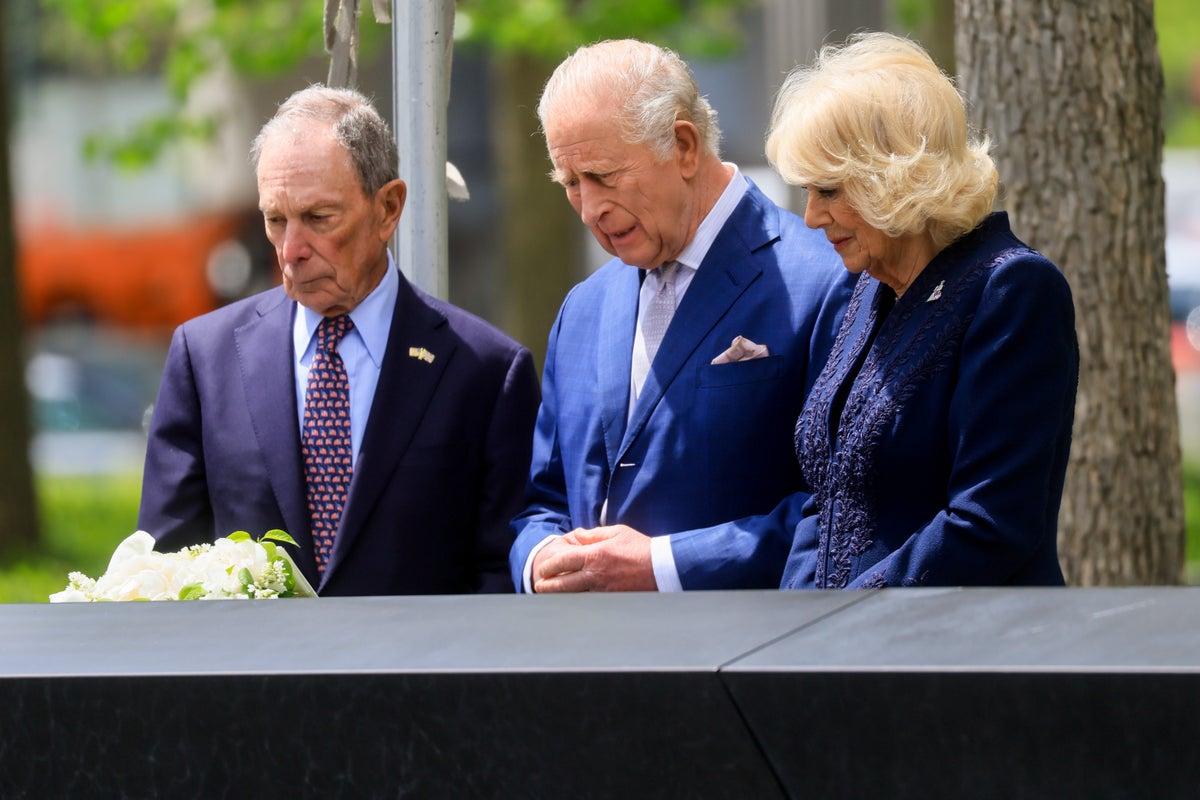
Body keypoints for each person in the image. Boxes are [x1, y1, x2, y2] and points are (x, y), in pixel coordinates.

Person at [138, 85, 540, 595]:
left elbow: (501, 578)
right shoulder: (205, 358)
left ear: (388, 208)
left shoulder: (484, 371)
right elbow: (164, 570)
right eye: (275, 220)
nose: (291, 251)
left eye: (318, 218)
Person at [510, 39, 854, 593]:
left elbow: (842, 512)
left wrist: (662, 566)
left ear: (684, 146)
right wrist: (539, 561)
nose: (590, 207)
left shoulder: (824, 279)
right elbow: (544, 500)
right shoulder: (582, 308)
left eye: (604, 175)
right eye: (571, 183)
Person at [761, 32, 1078, 587]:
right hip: (841, 655)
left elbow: (990, 524)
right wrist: (794, 636)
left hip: (960, 657)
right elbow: (827, 501)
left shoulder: (1012, 290)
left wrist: (841, 624)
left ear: (896, 177)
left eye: (829, 190)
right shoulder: (861, 291)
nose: (810, 217)